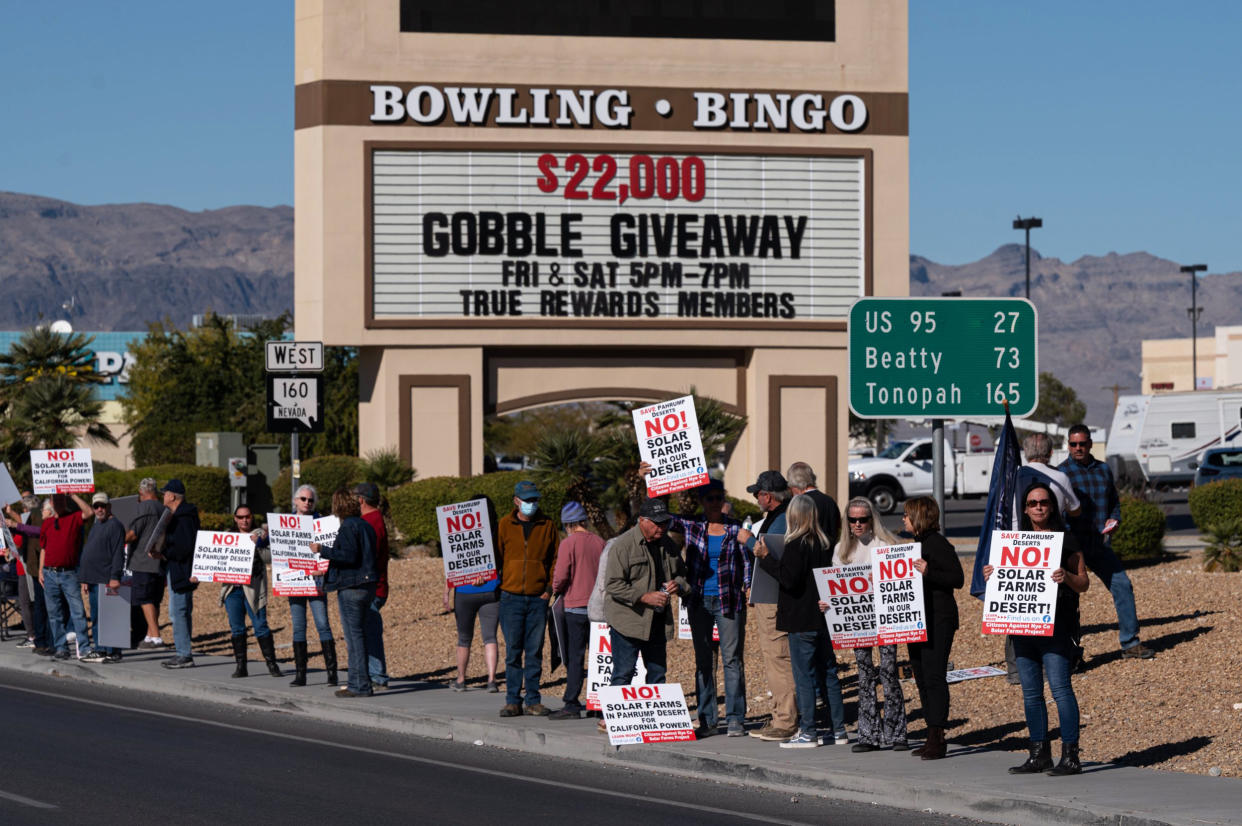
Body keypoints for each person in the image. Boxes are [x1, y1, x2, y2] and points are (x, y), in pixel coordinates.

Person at [983, 481, 1089, 776]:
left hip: (1056, 627)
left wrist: (1065, 575)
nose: (1038, 507)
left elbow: (1084, 583)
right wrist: (992, 574)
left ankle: (1071, 756)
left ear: (1052, 506)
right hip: (1021, 626)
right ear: (1025, 509)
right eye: (1032, 503)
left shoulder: (1065, 540)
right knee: (1031, 693)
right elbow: (1002, 583)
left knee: (1060, 690)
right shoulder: (1014, 542)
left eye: (1043, 502)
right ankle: (1039, 753)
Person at [648, 470, 751, 738]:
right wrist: (656, 481)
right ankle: (707, 719)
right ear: (702, 501)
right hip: (698, 600)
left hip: (729, 599)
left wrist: (749, 585)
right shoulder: (692, 525)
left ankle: (736, 718)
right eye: (709, 498)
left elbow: (746, 560)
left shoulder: (734, 527)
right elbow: (661, 515)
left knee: (732, 659)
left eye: (718, 498)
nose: (715, 503)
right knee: (705, 660)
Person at [1058, 424, 1153, 660]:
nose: (1078, 448)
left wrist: (1115, 518)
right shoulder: (1061, 474)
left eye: (1082, 443)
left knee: (1123, 585)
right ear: (1068, 445)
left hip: (1099, 544)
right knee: (1070, 600)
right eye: (1073, 444)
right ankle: (1070, 652)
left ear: (1090, 444)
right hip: (1072, 547)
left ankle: (1130, 643)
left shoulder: (1103, 470)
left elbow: (1114, 501)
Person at [756, 494, 841, 748]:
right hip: (822, 616)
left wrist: (766, 557)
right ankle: (838, 730)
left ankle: (808, 732)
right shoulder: (825, 543)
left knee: (803, 677)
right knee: (829, 674)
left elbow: (789, 579)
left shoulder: (796, 543)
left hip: (800, 618)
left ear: (794, 516)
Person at [830, 496, 908, 752]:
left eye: (863, 519)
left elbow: (901, 578)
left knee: (888, 671)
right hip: (857, 620)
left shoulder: (886, 544)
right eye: (853, 520)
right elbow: (834, 586)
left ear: (871, 519)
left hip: (885, 618)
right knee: (864, 675)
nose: (858, 524)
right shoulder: (842, 549)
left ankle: (897, 732)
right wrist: (827, 603)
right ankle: (868, 734)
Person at [736, 471, 798, 742]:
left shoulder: (780, 522)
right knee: (779, 659)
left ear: (768, 496)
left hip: (773, 600)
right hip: (773, 597)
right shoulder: (785, 516)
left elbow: (770, 555)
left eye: (757, 494)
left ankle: (785, 720)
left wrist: (748, 540)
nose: (755, 499)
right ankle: (782, 716)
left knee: (778, 660)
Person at [902, 496, 964, 760]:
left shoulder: (937, 545)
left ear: (918, 517)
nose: (903, 519)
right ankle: (931, 732)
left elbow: (957, 579)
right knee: (921, 676)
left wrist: (929, 573)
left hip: (938, 619)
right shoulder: (916, 544)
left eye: (906, 515)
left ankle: (938, 736)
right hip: (916, 619)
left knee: (934, 675)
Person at [604, 497, 688, 689]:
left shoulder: (668, 544)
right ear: (642, 520)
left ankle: (654, 719)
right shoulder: (622, 546)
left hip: (657, 622)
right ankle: (614, 718)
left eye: (665, 522)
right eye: (657, 523)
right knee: (623, 673)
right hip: (628, 622)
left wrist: (678, 585)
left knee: (658, 674)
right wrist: (643, 597)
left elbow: (683, 575)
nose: (662, 527)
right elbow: (613, 585)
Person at [496, 480, 558, 717]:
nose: (532, 504)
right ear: (516, 501)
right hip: (510, 597)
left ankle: (533, 699)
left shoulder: (547, 524)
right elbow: (497, 556)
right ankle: (512, 700)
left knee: (534, 651)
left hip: (537, 599)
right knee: (513, 651)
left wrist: (549, 588)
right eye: (528, 500)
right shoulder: (504, 524)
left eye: (535, 499)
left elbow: (555, 558)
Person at [311, 489, 379, 698]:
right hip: (367, 584)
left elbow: (348, 556)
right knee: (360, 635)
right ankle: (361, 682)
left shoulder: (348, 526)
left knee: (354, 637)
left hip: (352, 587)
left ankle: (359, 685)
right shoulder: (366, 525)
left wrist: (323, 549)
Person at [548, 501, 604, 720]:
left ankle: (571, 703)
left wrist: (555, 589)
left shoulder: (568, 544)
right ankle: (597, 703)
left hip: (574, 607)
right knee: (598, 658)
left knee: (575, 658)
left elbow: (561, 576)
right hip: (598, 608)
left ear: (567, 524)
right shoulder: (600, 542)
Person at [444, 494, 501, 693]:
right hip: (491, 589)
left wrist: (447, 591)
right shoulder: (497, 533)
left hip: (465, 590)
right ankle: (492, 680)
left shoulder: (460, 530)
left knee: (464, 638)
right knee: (490, 637)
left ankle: (461, 679)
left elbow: (455, 559)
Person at [221, 506, 282, 678]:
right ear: (235, 518)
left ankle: (272, 664)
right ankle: (241, 666)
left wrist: (258, 544)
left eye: (247, 516)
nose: (244, 520)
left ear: (251, 517)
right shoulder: (227, 536)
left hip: (253, 589)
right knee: (237, 628)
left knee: (260, 626)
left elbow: (270, 557)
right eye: (240, 517)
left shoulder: (261, 534)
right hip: (233, 589)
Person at [287, 484, 338, 687]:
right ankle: (301, 674)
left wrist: (322, 568)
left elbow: (331, 548)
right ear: (295, 501)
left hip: (316, 580)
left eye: (310, 500)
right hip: (294, 581)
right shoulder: (285, 523)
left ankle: (332, 673)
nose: (307, 503)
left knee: (323, 624)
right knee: (299, 627)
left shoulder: (321, 522)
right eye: (303, 499)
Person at [38, 493, 95, 660]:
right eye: (56, 501)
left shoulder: (74, 517)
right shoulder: (47, 523)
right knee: (54, 614)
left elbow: (89, 513)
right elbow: (44, 548)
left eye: (62, 500)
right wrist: (41, 569)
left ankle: (84, 647)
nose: (59, 503)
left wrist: (74, 495)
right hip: (49, 573)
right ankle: (61, 647)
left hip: (68, 573)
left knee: (77, 611)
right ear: (51, 503)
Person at [73, 492, 126, 664]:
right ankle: (102, 649)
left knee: (108, 616)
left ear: (109, 506)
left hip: (106, 578)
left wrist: (115, 577)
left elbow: (118, 553)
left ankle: (110, 651)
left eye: (102, 506)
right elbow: (90, 552)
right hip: (94, 578)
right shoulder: (97, 525)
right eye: (96, 506)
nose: (99, 509)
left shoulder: (115, 525)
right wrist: (85, 578)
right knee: (97, 616)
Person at [153, 479, 199, 669]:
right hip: (181, 569)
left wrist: (163, 553)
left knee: (178, 612)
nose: (163, 496)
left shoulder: (183, 518)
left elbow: (183, 547)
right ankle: (184, 651)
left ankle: (183, 654)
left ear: (172, 496)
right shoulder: (181, 515)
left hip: (182, 570)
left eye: (165, 493)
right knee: (182, 611)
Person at [353, 482, 390, 689]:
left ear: (361, 500)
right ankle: (371, 674)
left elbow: (368, 555)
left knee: (370, 632)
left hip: (372, 587)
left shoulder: (370, 521)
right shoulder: (374, 519)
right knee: (366, 631)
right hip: (374, 585)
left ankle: (377, 676)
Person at [125, 478, 169, 650]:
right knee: (154, 599)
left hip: (143, 561)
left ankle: (156, 637)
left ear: (142, 493)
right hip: (159, 561)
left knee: (145, 599)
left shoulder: (144, 507)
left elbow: (133, 534)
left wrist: (117, 539)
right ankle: (150, 635)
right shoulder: (163, 508)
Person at [4, 493, 50, 654]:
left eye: (24, 507)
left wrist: (11, 518)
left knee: (29, 603)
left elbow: (23, 528)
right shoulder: (30, 521)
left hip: (29, 568)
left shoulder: (35, 521)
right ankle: (37, 637)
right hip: (27, 567)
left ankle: (34, 636)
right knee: (32, 603)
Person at [786, 462, 842, 551]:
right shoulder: (830, 501)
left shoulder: (800, 504)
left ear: (795, 484)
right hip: (828, 554)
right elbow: (836, 529)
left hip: (807, 555)